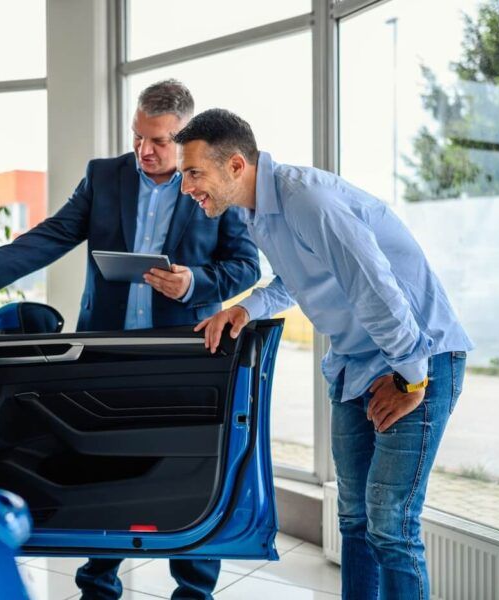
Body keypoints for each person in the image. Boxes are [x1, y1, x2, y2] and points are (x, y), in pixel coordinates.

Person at [0, 82, 260, 600]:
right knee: (104, 470)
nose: (144, 150)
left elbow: (245, 265)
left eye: (159, 141)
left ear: (186, 137)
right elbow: (54, 234)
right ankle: (98, 586)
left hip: (182, 357)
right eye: (137, 136)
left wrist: (193, 283)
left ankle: (194, 591)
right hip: (108, 356)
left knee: (191, 468)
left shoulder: (211, 183)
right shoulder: (104, 176)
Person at [174, 109, 473, 599]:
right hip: (357, 364)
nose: (185, 186)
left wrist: (411, 380)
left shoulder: (307, 200)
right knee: (354, 519)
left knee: (391, 526)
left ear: (235, 166)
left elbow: (375, 288)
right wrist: (247, 308)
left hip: (418, 357)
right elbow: (294, 279)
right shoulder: (256, 212)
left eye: (193, 173)